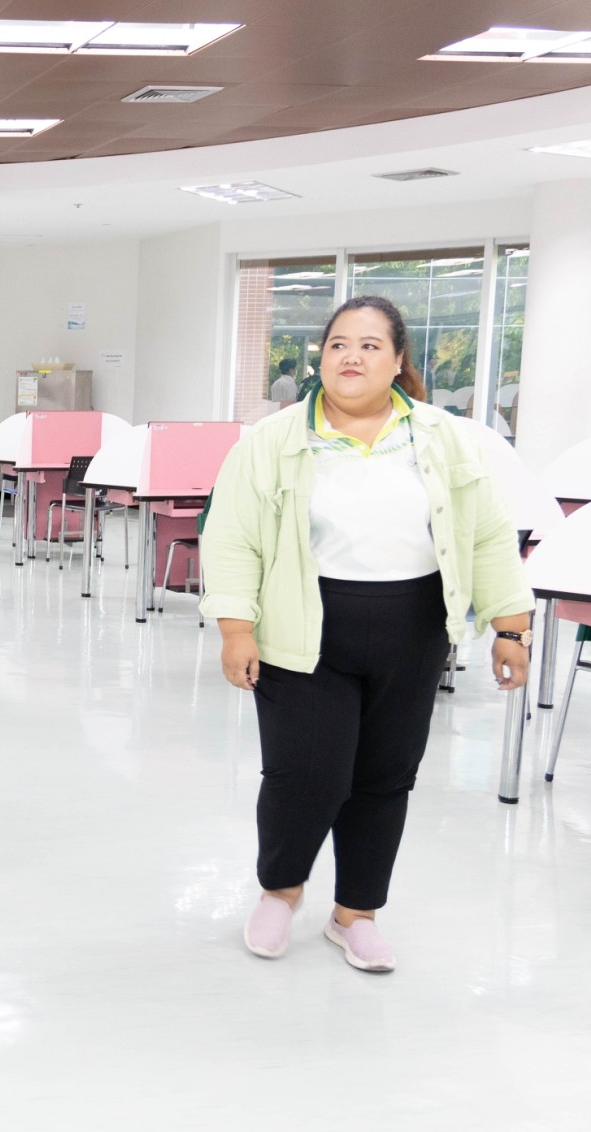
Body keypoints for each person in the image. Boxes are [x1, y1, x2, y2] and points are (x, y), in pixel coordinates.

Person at [201, 295, 533, 974]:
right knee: (306, 773)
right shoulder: (272, 439)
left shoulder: (446, 436)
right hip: (305, 622)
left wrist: (511, 626)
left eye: (370, 345)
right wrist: (236, 627)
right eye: (338, 345)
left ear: (399, 359)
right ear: (321, 358)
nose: (351, 357)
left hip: (414, 624)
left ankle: (356, 914)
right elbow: (232, 536)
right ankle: (280, 891)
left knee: (385, 775)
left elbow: (489, 533)